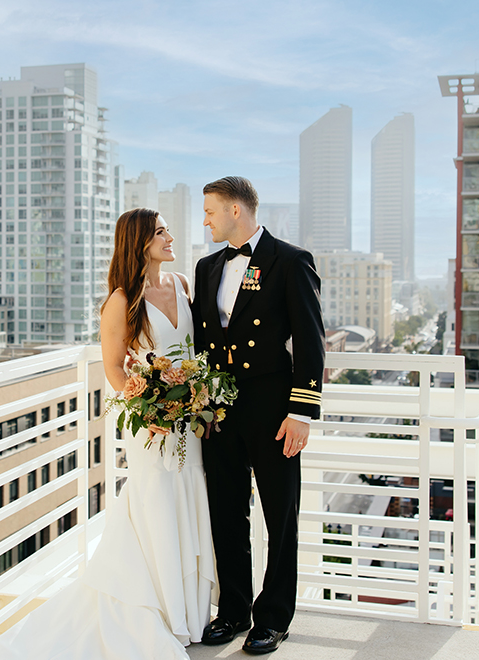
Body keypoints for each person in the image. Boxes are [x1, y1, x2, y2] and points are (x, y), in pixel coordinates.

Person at [0, 208, 215, 658]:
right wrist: (149, 405)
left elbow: (195, 351)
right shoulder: (121, 300)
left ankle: (189, 610)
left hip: (191, 421)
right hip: (152, 426)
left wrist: (196, 395)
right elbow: (113, 366)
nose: (170, 237)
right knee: (156, 502)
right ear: (141, 241)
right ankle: (158, 608)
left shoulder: (183, 285)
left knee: (188, 497)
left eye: (167, 230)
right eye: (161, 231)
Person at [192, 176, 326, 654]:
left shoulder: (289, 261)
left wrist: (302, 412)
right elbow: (203, 347)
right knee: (226, 513)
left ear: (234, 210)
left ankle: (273, 618)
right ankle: (233, 611)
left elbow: (311, 344)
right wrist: (198, 404)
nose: (203, 219)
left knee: (279, 515)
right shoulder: (208, 266)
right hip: (220, 412)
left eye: (209, 210)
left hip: (273, 409)